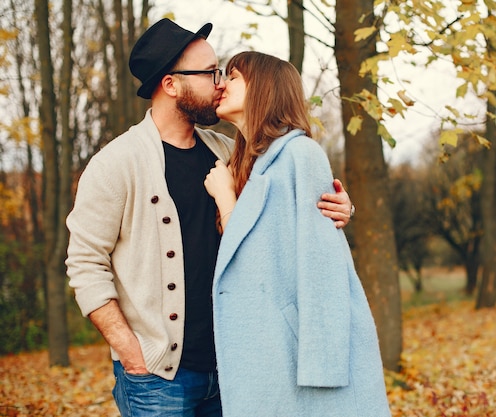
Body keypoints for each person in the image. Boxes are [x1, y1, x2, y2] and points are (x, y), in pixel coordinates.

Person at [65, 19, 353, 417]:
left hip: (235, 369)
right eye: (209, 72)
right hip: (159, 381)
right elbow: (84, 264)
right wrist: (131, 351)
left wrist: (340, 207)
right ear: (170, 85)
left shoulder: (229, 151)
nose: (220, 82)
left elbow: (283, 215)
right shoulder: (116, 164)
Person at [204, 51, 390, 416]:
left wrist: (324, 369)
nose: (222, 84)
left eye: (234, 76)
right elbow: (253, 255)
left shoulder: (301, 155)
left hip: (299, 361)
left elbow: (323, 266)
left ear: (265, 89)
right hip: (266, 356)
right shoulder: (248, 165)